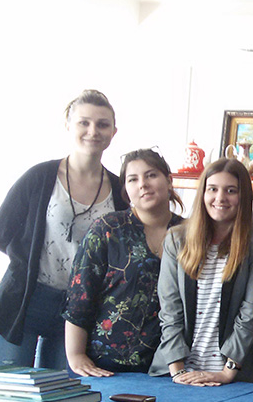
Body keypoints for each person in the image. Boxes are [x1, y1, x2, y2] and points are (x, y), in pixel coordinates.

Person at [0, 90, 129, 370]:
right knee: (6, 394)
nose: (93, 131)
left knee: (63, 395)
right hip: (22, 304)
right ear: (68, 126)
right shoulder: (39, 177)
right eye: (84, 122)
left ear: (113, 132)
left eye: (102, 124)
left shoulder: (120, 190)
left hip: (78, 314)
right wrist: (27, 266)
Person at [64, 149, 184, 376]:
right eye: (133, 179)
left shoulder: (190, 233)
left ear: (169, 181)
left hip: (167, 365)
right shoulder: (107, 229)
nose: (143, 184)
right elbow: (80, 296)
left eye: (151, 175)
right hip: (102, 364)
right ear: (126, 191)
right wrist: (76, 355)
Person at [155, 158, 253, 386]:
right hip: (175, 372)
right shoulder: (176, 239)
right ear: (202, 193)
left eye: (231, 191)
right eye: (212, 189)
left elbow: (251, 312)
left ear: (243, 196)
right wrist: (178, 373)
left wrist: (227, 373)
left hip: (233, 376)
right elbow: (170, 311)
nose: (220, 198)